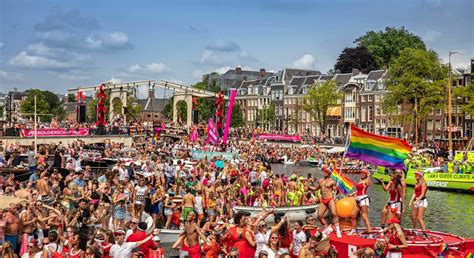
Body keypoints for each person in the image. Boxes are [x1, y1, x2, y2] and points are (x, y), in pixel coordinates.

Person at [314, 167, 342, 237]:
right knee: (319, 216)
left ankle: (338, 230)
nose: (324, 172)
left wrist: (337, 190)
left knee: (334, 213)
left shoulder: (332, 181)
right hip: (323, 200)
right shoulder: (320, 181)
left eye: (326, 172)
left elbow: (337, 191)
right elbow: (315, 188)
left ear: (329, 173)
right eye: (324, 171)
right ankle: (327, 228)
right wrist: (308, 187)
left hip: (330, 199)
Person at [350, 169, 372, 233]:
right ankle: (354, 230)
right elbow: (359, 190)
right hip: (358, 199)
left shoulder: (366, 180)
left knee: (364, 216)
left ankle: (369, 231)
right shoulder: (360, 180)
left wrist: (369, 176)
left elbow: (370, 184)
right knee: (353, 215)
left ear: (366, 174)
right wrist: (353, 193)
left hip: (364, 199)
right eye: (361, 173)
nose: (362, 174)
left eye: (364, 173)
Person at [409, 171, 428, 235]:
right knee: (413, 216)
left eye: (416, 175)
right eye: (415, 175)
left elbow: (422, 194)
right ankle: (415, 229)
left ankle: (424, 233)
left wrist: (417, 201)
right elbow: (414, 193)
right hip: (416, 201)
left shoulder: (423, 184)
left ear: (420, 176)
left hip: (422, 201)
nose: (415, 176)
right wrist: (411, 201)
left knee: (419, 218)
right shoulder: (416, 184)